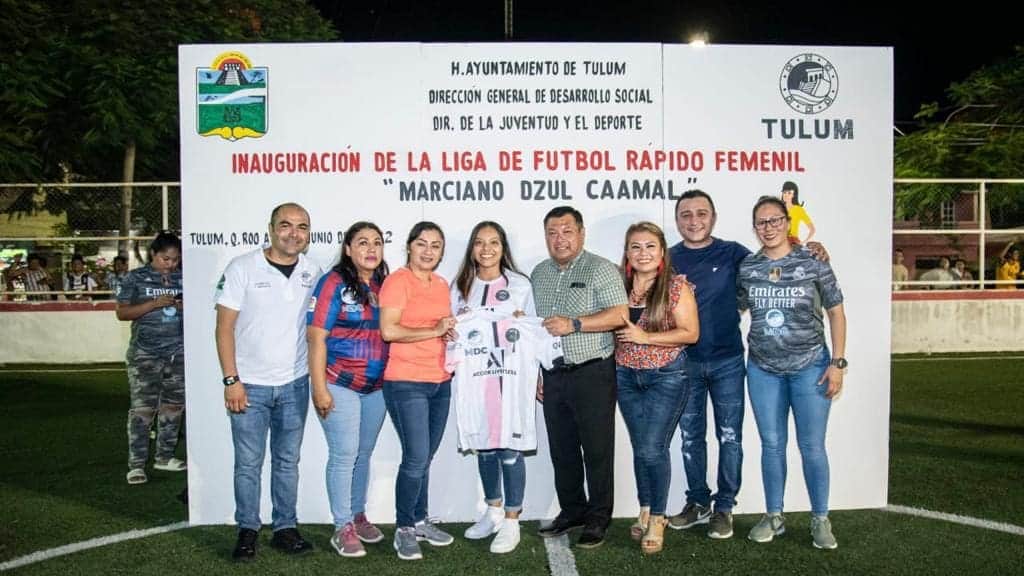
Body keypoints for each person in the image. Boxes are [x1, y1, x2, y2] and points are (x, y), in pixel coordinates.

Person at [668, 189, 829, 540]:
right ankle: (697, 502)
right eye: (686, 214)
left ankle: (724, 507)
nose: (694, 220)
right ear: (678, 220)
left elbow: (776, 264)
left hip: (727, 360)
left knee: (730, 437)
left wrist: (811, 250)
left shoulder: (736, 254)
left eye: (701, 213)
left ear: (713, 217)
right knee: (690, 437)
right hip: (684, 363)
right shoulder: (667, 259)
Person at [738, 196, 847, 550]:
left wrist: (838, 363)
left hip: (811, 367)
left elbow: (836, 313)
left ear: (787, 222)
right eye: (761, 222)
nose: (768, 228)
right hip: (762, 369)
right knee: (772, 445)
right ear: (754, 228)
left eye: (774, 220)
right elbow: (732, 309)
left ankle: (820, 519)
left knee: (812, 446)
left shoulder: (814, 261)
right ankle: (774, 516)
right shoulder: (748, 268)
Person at [215, 203, 321, 562]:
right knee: (248, 463)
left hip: (295, 384)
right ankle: (247, 530)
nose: (294, 233)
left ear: (309, 234)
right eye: (286, 225)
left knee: (287, 461)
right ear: (271, 228)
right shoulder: (242, 267)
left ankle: (285, 528)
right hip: (250, 387)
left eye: (302, 227)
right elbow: (224, 328)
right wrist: (232, 380)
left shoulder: (313, 271)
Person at [532, 206, 627, 549]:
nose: (560, 239)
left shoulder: (600, 268)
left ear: (581, 233)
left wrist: (575, 323)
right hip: (554, 375)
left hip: (593, 372)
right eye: (553, 232)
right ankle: (572, 510)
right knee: (562, 449)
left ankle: (599, 519)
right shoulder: (539, 273)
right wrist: (537, 371)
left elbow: (620, 314)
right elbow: (535, 328)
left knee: (598, 450)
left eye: (567, 231)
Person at [450, 221, 536, 554]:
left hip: (511, 380)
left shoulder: (520, 285)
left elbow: (535, 330)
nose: (487, 249)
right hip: (475, 381)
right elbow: (450, 330)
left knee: (509, 447)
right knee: (484, 446)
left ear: (503, 248)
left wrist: (539, 375)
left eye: (494, 242)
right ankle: (494, 510)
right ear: (471, 248)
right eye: (480, 243)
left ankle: (513, 521)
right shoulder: (459, 286)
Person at [614, 222, 699, 554]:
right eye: (635, 247)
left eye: (650, 246)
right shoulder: (619, 286)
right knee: (640, 448)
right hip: (626, 376)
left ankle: (659, 518)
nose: (643, 253)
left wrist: (645, 337)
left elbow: (690, 333)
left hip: (666, 375)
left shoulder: (676, 287)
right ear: (627, 253)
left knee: (652, 448)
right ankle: (646, 507)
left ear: (662, 252)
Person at [307, 221, 390, 558]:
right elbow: (315, 337)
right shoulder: (333, 282)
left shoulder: (387, 284)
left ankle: (357, 514)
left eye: (377, 242)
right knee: (344, 455)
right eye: (362, 242)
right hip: (338, 382)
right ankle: (342, 526)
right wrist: (319, 388)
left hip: (377, 387)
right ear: (348, 249)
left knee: (363, 453)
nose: (370, 249)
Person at [379, 221, 457, 561]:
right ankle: (404, 528)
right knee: (415, 458)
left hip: (439, 381)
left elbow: (438, 327)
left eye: (435, 245)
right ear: (409, 246)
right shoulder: (398, 282)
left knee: (423, 457)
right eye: (422, 244)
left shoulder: (440, 284)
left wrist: (447, 334)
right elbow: (389, 330)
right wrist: (434, 330)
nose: (428, 251)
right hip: (405, 380)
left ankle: (421, 519)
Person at [115, 232, 185, 485]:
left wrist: (181, 306)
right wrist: (153, 304)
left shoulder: (182, 278)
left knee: (173, 407)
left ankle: (164, 456)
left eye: (175, 260)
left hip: (177, 353)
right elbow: (122, 313)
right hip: (145, 354)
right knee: (143, 410)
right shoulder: (135, 278)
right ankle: (136, 465)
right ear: (153, 254)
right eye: (166, 259)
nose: (171, 264)